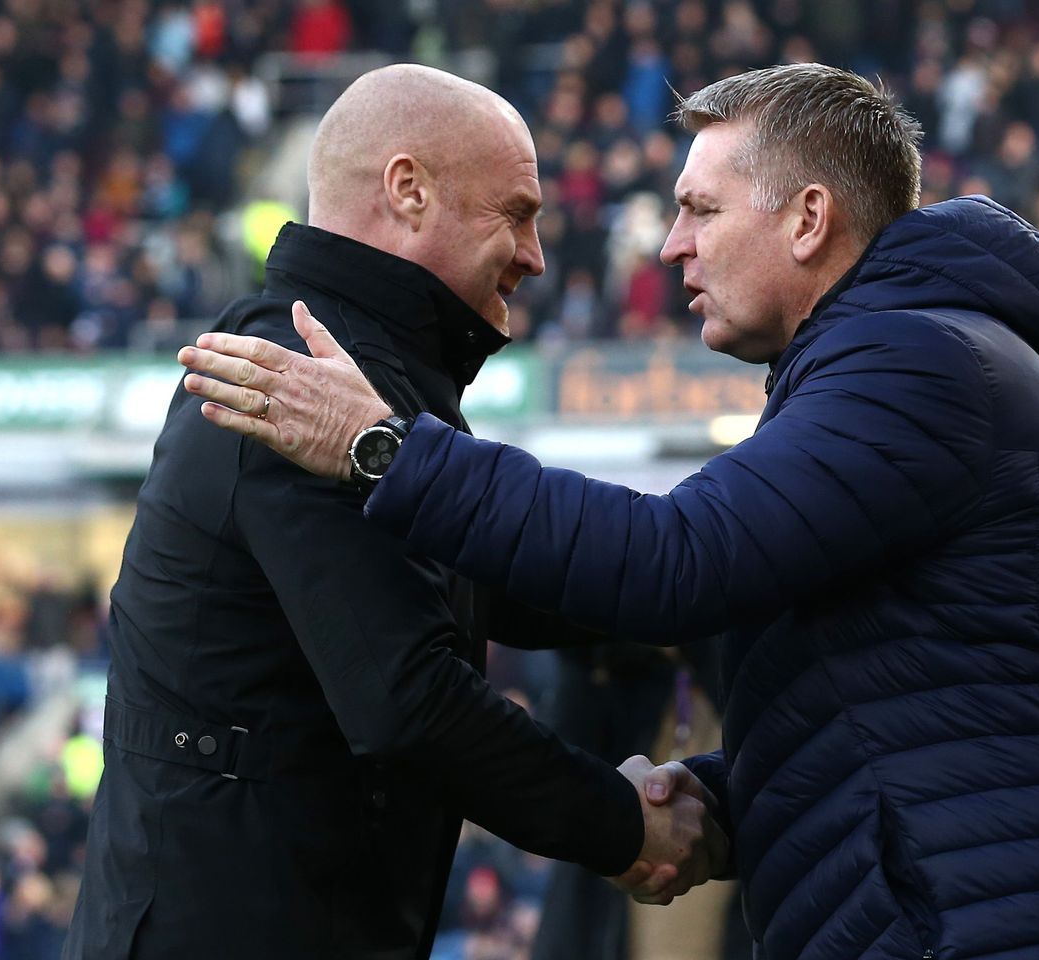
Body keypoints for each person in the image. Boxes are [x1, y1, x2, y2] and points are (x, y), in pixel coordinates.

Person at [179, 63, 1039, 958]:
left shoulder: (915, 362)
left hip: (997, 927)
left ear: (806, 219)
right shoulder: (890, 363)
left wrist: (384, 451)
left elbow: (676, 561)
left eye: (700, 211)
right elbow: (886, 718)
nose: (670, 248)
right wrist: (694, 800)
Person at [63, 64, 723, 960]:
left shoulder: (378, 373)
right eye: (516, 214)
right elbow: (408, 699)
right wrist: (621, 825)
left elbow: (492, 576)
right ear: (407, 191)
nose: (535, 255)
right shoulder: (294, 377)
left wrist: (693, 592)